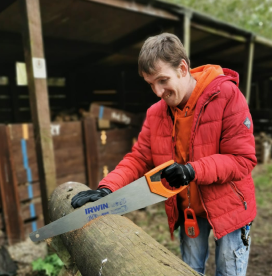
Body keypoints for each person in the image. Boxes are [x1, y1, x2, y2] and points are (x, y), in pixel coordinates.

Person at [71, 33, 257, 276]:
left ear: (182, 68)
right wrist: (108, 189)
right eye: (150, 84)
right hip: (188, 209)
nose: (158, 92)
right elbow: (139, 158)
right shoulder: (156, 113)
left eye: (162, 80)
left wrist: (192, 170)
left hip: (230, 208)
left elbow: (242, 159)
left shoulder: (226, 96)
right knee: (188, 271)